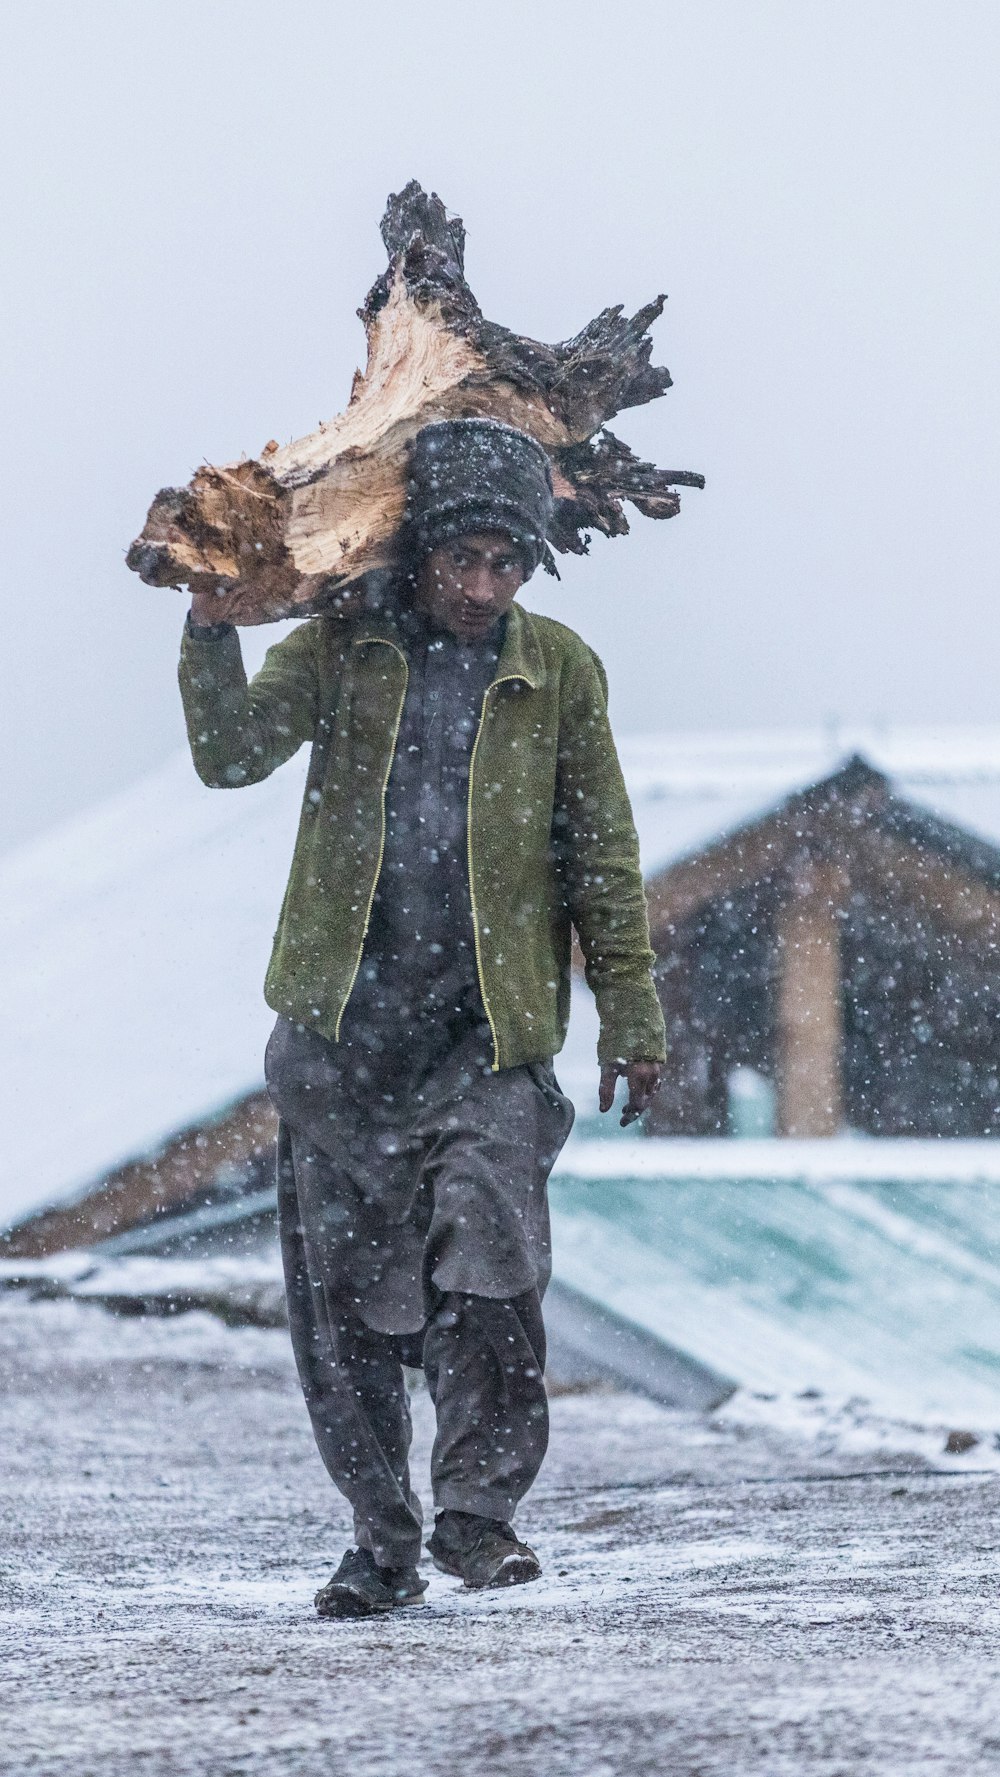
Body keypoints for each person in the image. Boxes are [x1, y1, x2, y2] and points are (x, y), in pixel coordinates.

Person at [178, 417, 665, 1617]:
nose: (482, 585)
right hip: (343, 1044)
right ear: (419, 553)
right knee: (344, 1309)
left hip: (488, 1043)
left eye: (508, 563)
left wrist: (634, 1018)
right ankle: (379, 1537)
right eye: (465, 560)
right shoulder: (345, 646)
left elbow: (600, 853)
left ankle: (476, 1515)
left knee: (492, 1271)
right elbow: (231, 755)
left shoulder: (555, 669)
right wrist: (209, 627)